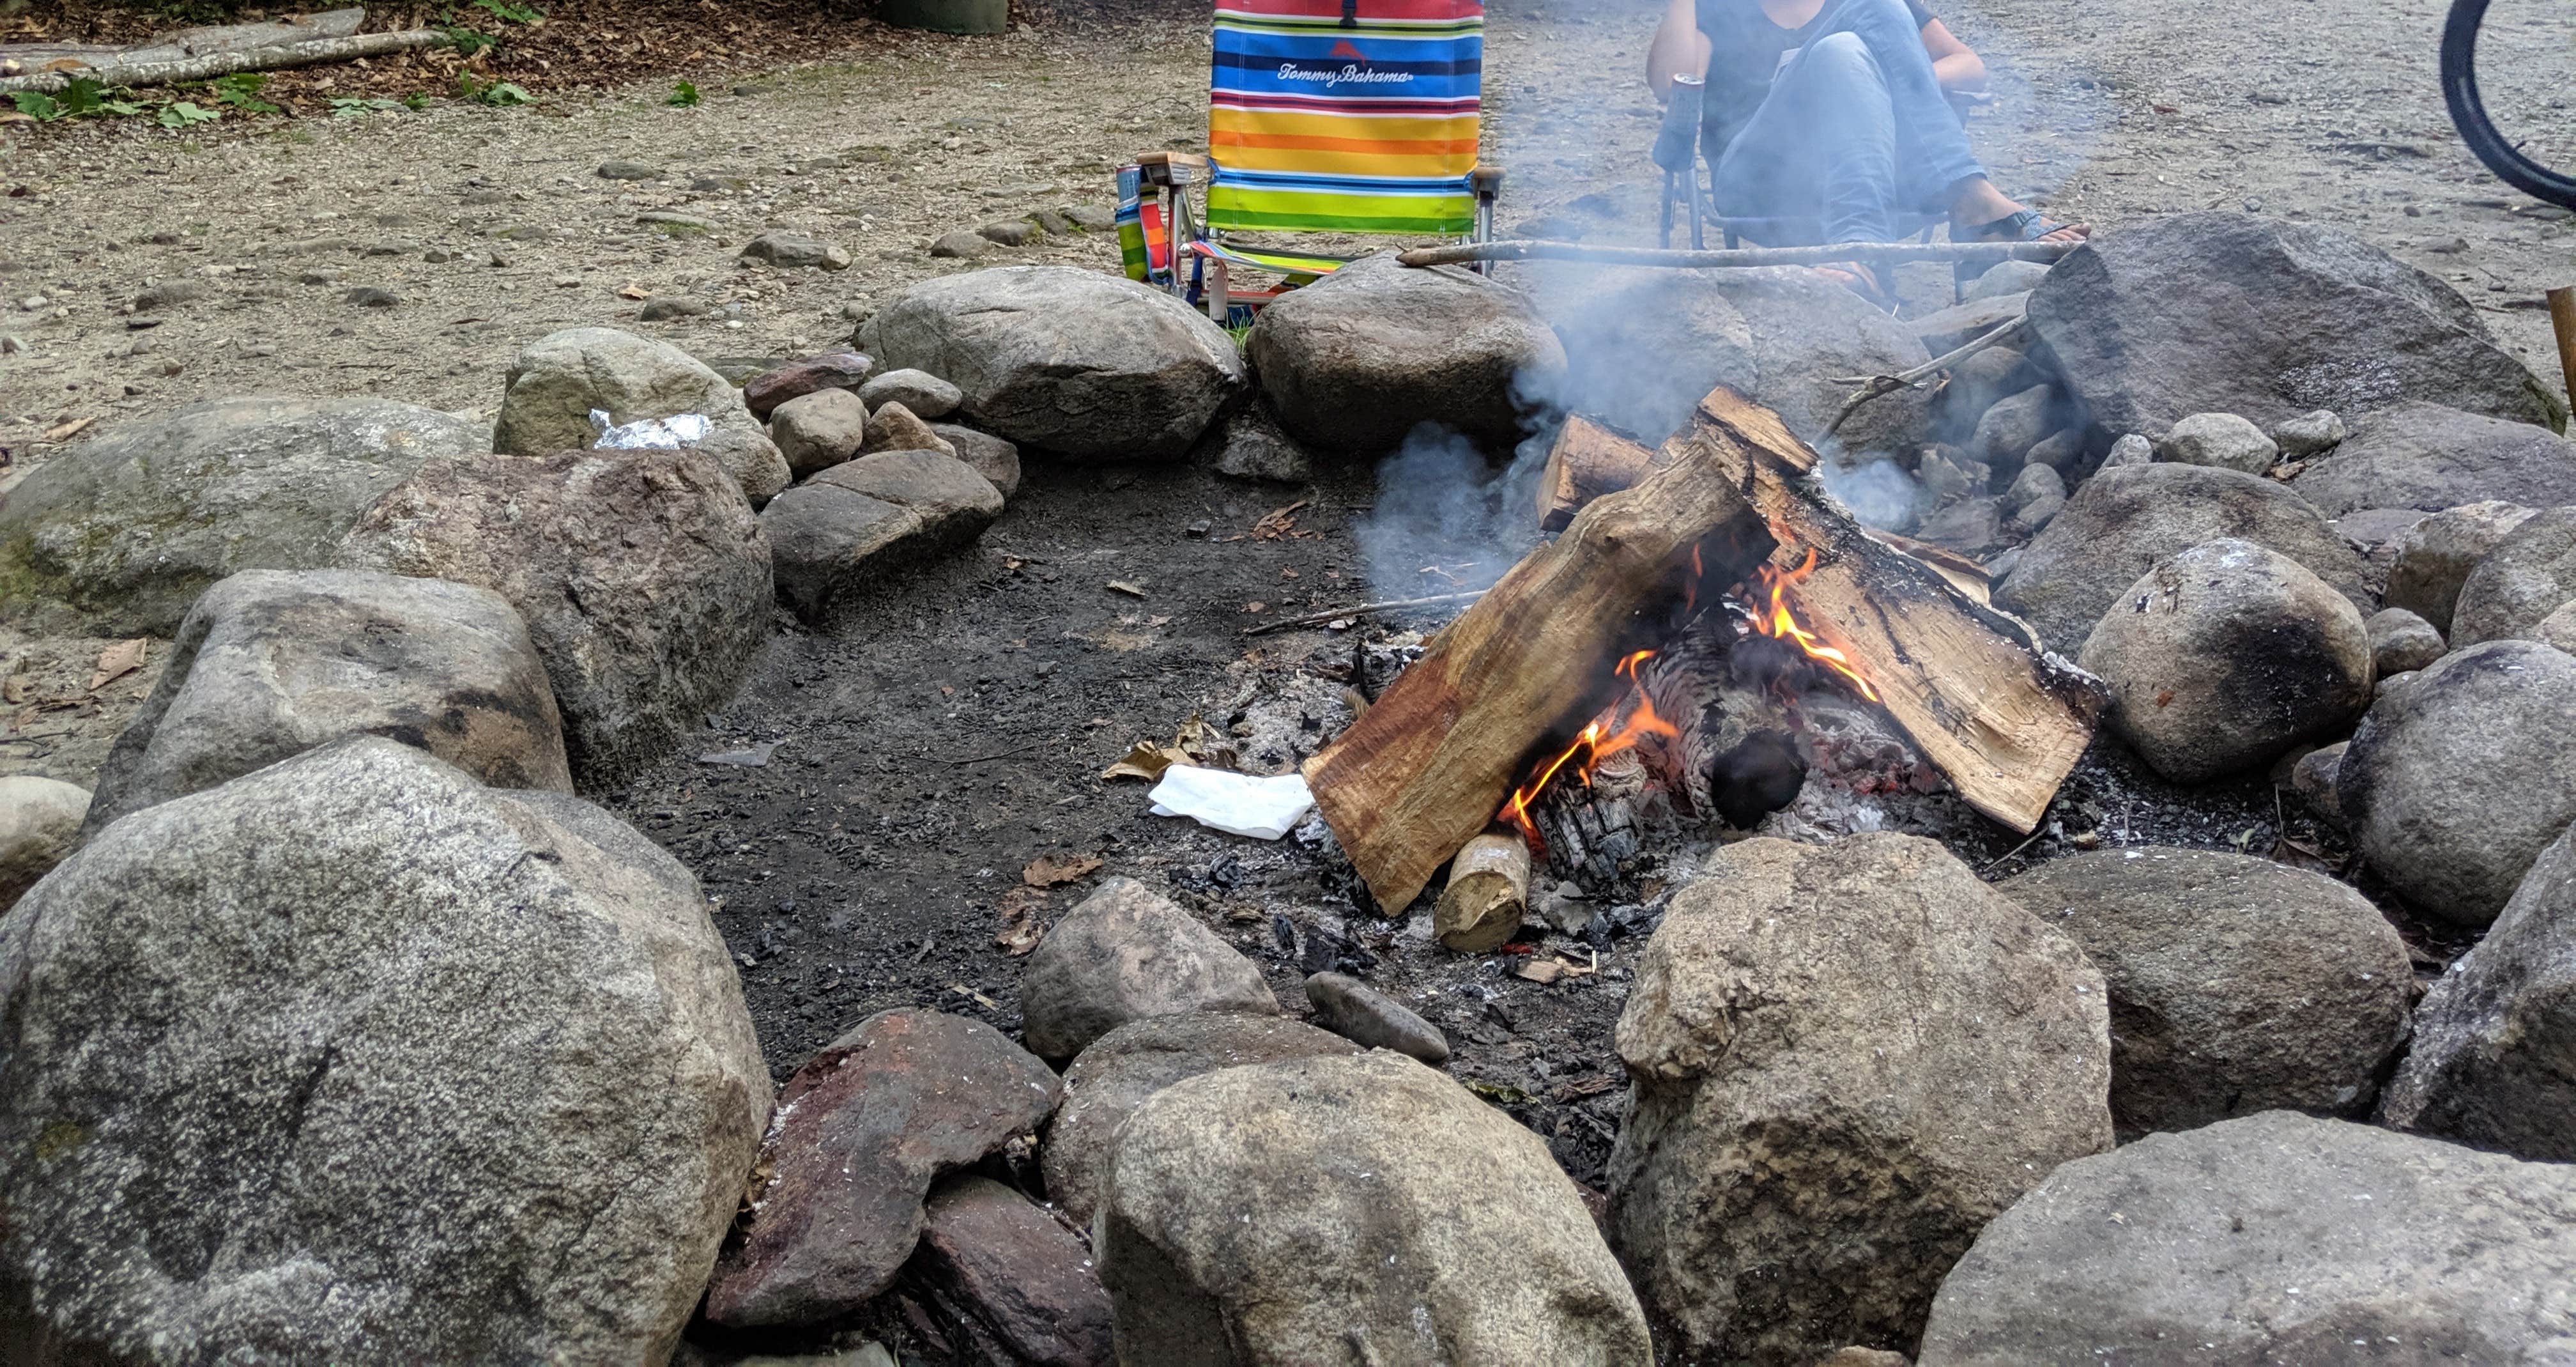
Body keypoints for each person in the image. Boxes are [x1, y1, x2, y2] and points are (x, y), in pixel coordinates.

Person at [1646, 0, 2085, 303]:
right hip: (1760, 181)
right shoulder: (1722, 8)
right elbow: (1671, 84)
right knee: (1861, 25)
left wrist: (1885, 79)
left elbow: (1970, 67)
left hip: (1878, 178)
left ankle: (1859, 248)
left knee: (1843, 50)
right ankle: (1974, 204)